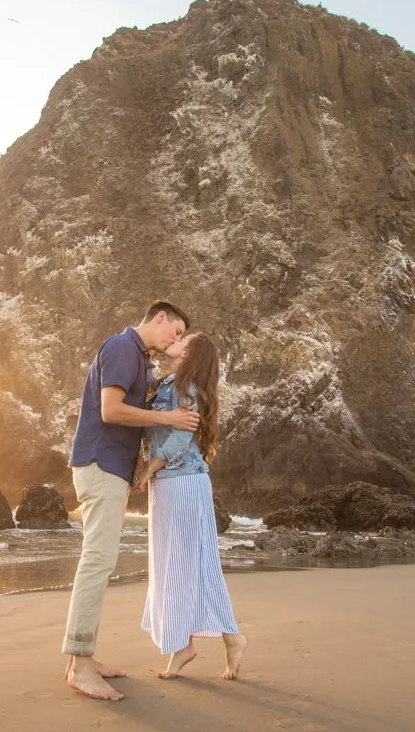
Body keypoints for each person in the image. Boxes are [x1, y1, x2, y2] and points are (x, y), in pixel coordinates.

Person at [62, 300, 200, 702]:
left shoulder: (138, 358)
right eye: (174, 332)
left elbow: (135, 407)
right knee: (97, 562)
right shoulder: (123, 348)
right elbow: (111, 410)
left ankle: (79, 659)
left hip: (110, 469)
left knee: (98, 562)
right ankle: (80, 666)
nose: (174, 341)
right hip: (100, 465)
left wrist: (140, 467)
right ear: (160, 318)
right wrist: (169, 420)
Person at [135, 332, 248, 680]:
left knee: (191, 565)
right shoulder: (166, 382)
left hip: (183, 482)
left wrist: (149, 468)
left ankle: (231, 637)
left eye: (185, 339)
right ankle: (185, 644)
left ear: (190, 353)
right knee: (172, 566)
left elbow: (181, 438)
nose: (177, 338)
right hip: (168, 486)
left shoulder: (188, 390)